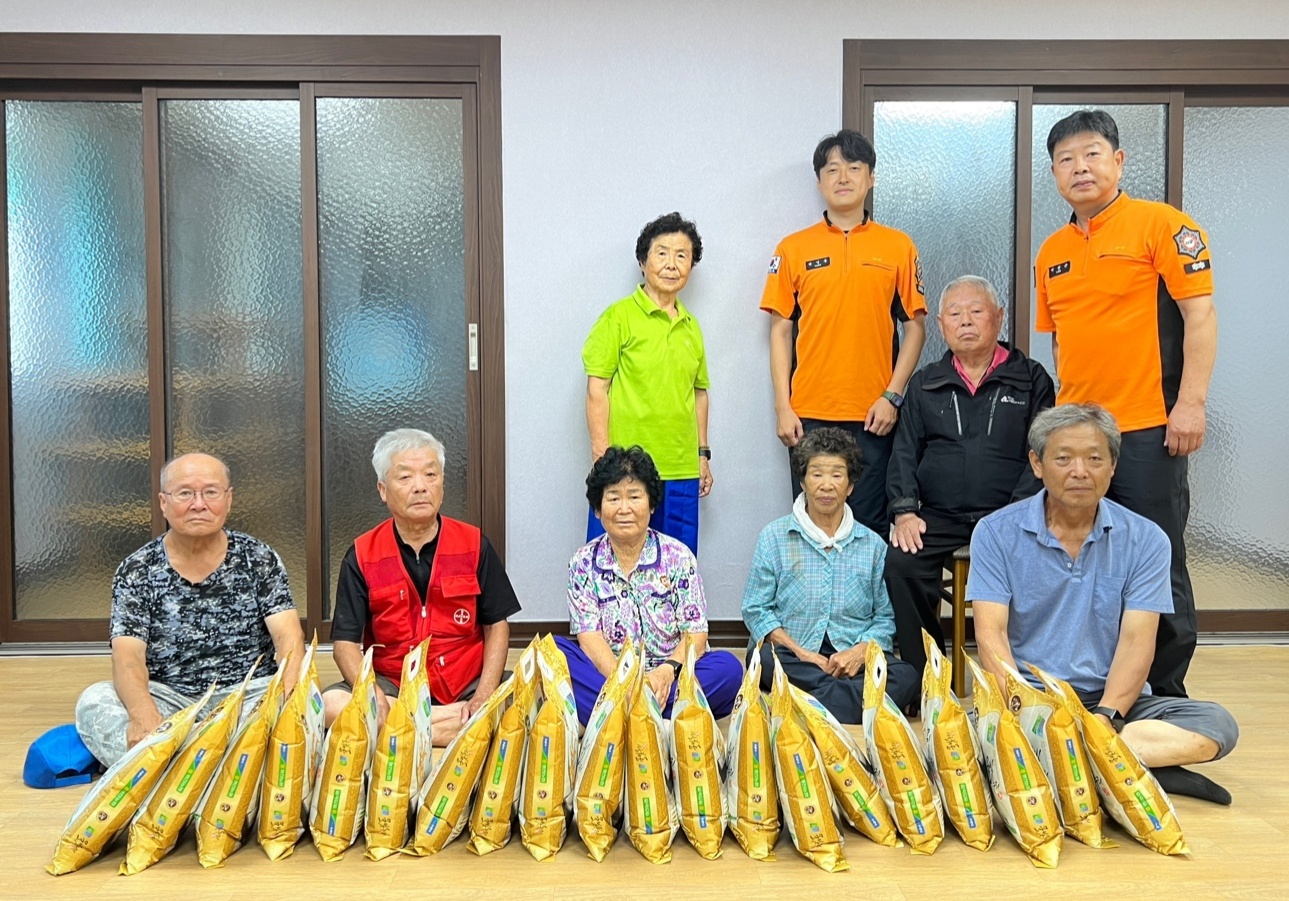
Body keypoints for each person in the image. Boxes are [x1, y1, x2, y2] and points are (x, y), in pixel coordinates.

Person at [1035, 109, 1217, 698]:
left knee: (1156, 561)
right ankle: (1097, 685)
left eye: (1092, 154)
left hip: (1146, 429)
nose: (1079, 167)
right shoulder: (1052, 251)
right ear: (1054, 173)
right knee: (1084, 557)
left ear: (1118, 160)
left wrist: (1190, 403)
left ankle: (1164, 695)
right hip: (1078, 435)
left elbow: (1200, 316)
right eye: (1065, 159)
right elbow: (1061, 342)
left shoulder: (1162, 225)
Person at [970, 404, 1237, 804]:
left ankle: (1070, 762)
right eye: (1063, 458)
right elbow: (991, 636)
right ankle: (1118, 767)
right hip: (1029, 699)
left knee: (1217, 726)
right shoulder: (995, 532)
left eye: (1095, 459)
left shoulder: (1146, 539)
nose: (1080, 471)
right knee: (955, 742)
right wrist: (1024, 708)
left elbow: (1136, 643)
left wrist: (1106, 717)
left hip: (1111, 702)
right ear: (1037, 464)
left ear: (1113, 466)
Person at [75, 453, 304, 767]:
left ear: (229, 499)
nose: (199, 504)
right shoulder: (137, 569)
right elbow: (127, 656)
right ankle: (227, 764)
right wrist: (144, 717)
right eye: (184, 493)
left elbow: (288, 637)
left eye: (211, 492)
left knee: (308, 699)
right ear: (163, 502)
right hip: (170, 701)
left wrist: (288, 699)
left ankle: (171, 766)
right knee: (94, 701)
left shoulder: (258, 557)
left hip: (247, 697)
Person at [883, 275, 1055, 675]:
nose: (965, 321)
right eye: (955, 314)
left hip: (1010, 515)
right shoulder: (925, 383)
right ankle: (927, 676)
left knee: (1045, 562)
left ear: (999, 317)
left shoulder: (1031, 378)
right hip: (940, 516)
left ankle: (1028, 674)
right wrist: (905, 511)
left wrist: (1018, 514)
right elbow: (904, 451)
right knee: (901, 564)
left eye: (976, 311)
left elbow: (1044, 454)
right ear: (941, 324)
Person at [761, 129, 927, 535]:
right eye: (832, 169)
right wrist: (783, 407)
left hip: (874, 416)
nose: (843, 178)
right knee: (811, 525)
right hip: (809, 414)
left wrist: (892, 396)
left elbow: (916, 328)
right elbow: (780, 331)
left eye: (854, 168)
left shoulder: (898, 246)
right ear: (820, 182)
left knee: (868, 530)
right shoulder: (793, 248)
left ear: (871, 178)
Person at [323, 429, 520, 745]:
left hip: (464, 683)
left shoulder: (474, 544)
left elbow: (496, 626)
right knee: (330, 705)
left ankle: (404, 729)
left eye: (430, 475)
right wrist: (372, 693)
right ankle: (448, 727)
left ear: (442, 484)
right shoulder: (361, 554)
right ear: (383, 490)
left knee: (527, 698)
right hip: (392, 684)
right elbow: (345, 644)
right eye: (405, 477)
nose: (420, 486)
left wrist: (483, 695)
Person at [555, 446, 741, 725]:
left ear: (651, 505)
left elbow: (695, 633)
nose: (624, 508)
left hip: (670, 675)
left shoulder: (678, 556)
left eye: (634, 496)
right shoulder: (583, 562)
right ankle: (662, 716)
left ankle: (616, 717)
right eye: (613, 498)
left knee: (728, 670)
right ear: (598, 510)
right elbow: (589, 637)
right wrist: (627, 682)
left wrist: (666, 672)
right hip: (610, 676)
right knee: (555, 653)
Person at [741, 428, 917, 721]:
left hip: (852, 658)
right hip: (794, 654)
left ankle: (802, 703)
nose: (826, 485)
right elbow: (756, 609)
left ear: (850, 486)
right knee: (763, 661)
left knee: (907, 676)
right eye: (817, 474)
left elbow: (885, 618)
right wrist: (802, 653)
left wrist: (858, 653)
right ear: (803, 481)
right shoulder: (774, 537)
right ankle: (856, 703)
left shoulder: (872, 544)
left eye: (837, 475)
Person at [582, 212, 712, 554]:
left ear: (691, 266)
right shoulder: (618, 317)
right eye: (662, 253)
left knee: (676, 562)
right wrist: (602, 458)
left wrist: (702, 454)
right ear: (643, 262)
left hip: (681, 470)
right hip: (626, 470)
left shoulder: (691, 326)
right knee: (613, 560)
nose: (672, 264)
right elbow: (597, 389)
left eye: (682, 255)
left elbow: (699, 393)